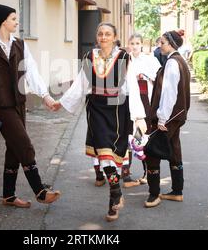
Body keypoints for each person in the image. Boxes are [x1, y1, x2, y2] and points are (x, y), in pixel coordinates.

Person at [52, 23, 147, 222]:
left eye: (108, 34)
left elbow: (132, 87)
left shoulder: (124, 57)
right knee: (104, 156)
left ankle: (114, 196)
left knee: (113, 156)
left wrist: (138, 116)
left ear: (114, 37)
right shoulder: (88, 57)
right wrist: (61, 102)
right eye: (100, 34)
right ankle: (115, 193)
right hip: (95, 109)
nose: (103, 37)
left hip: (117, 109)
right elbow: (80, 85)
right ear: (97, 37)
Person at [0, 3, 61, 209]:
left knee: (14, 149)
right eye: (14, 18)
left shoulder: (21, 45)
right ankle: (40, 191)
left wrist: (45, 96)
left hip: (19, 104)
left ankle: (8, 195)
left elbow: (32, 72)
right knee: (24, 145)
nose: (17, 22)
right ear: (3, 21)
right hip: (2, 107)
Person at [144, 30, 190, 208]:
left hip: (168, 117)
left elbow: (170, 92)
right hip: (177, 116)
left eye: (161, 42)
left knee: (152, 152)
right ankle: (177, 191)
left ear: (170, 43)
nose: (159, 45)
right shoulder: (180, 61)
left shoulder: (172, 62)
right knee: (173, 149)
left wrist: (161, 119)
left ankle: (153, 194)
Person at [124, 33, 161, 186]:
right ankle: (126, 172)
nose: (134, 46)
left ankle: (147, 171)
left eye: (137, 43)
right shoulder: (125, 60)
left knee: (142, 137)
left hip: (145, 103)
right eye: (132, 43)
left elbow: (159, 77)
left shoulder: (150, 59)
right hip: (129, 102)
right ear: (128, 45)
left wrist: (144, 75)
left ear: (142, 45)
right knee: (128, 137)